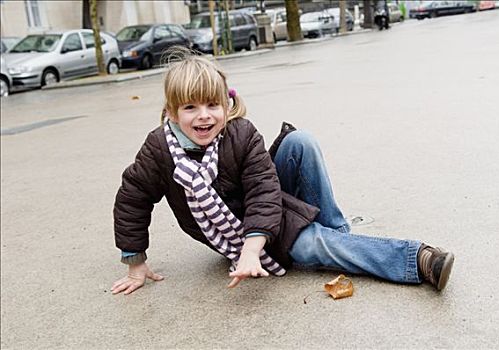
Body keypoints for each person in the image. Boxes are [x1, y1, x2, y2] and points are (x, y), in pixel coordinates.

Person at [111, 50, 454, 296]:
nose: (204, 117)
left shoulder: (240, 132)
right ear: (172, 111)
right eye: (190, 108)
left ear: (225, 105)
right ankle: (417, 259)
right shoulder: (160, 149)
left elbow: (263, 190)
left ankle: (340, 236)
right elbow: (132, 198)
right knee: (309, 246)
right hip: (230, 229)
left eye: (212, 105)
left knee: (299, 141)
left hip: (261, 217)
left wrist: (252, 246)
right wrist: (135, 261)